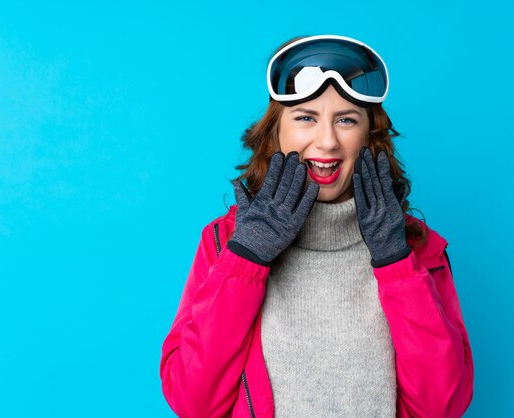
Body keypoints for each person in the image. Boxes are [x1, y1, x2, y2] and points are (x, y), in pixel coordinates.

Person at [160, 34, 474, 418]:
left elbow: (441, 407)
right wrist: (246, 261)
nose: (326, 141)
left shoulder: (416, 248)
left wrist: (396, 265)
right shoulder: (227, 242)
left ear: (369, 137)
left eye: (346, 120)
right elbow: (194, 403)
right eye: (306, 118)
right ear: (276, 131)